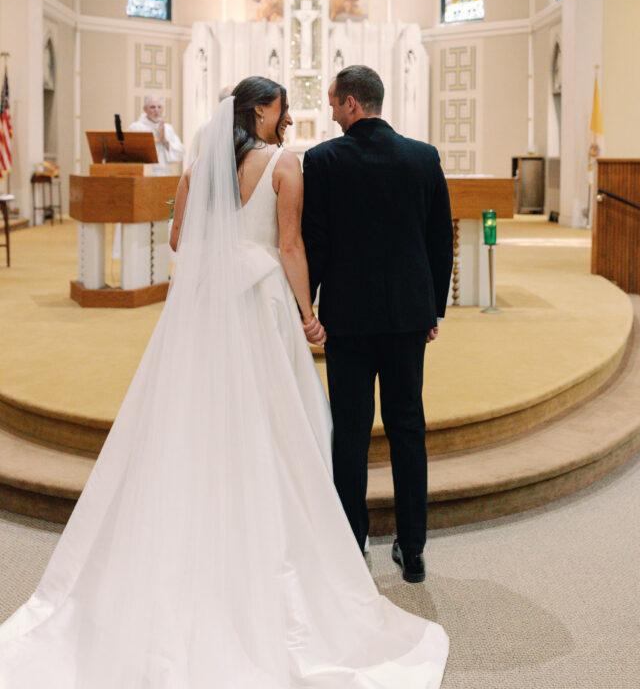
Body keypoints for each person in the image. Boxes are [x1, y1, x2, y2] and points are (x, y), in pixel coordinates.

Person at [0, 76, 448, 686]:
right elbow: (291, 246)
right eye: (280, 108)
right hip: (266, 301)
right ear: (263, 111)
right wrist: (308, 313)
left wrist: (229, 259)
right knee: (287, 422)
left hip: (210, 305)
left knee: (197, 414)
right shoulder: (289, 164)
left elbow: (181, 238)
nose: (285, 117)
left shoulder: (204, 162)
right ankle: (383, 548)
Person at [302, 65, 453, 583]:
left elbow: (315, 241)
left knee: (351, 429)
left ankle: (352, 541)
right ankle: (412, 550)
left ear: (350, 104)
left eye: (331, 101)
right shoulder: (423, 157)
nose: (328, 110)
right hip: (409, 314)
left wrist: (310, 305)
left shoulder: (321, 160)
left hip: (347, 317)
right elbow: (439, 240)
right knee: (407, 426)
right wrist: (432, 308)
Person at [130, 95, 184, 174]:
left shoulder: (168, 128)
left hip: (165, 173)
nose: (156, 110)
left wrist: (165, 141)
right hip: (144, 173)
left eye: (159, 107)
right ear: (145, 109)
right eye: (152, 107)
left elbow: (180, 152)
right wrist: (156, 140)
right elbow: (132, 152)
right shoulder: (136, 127)